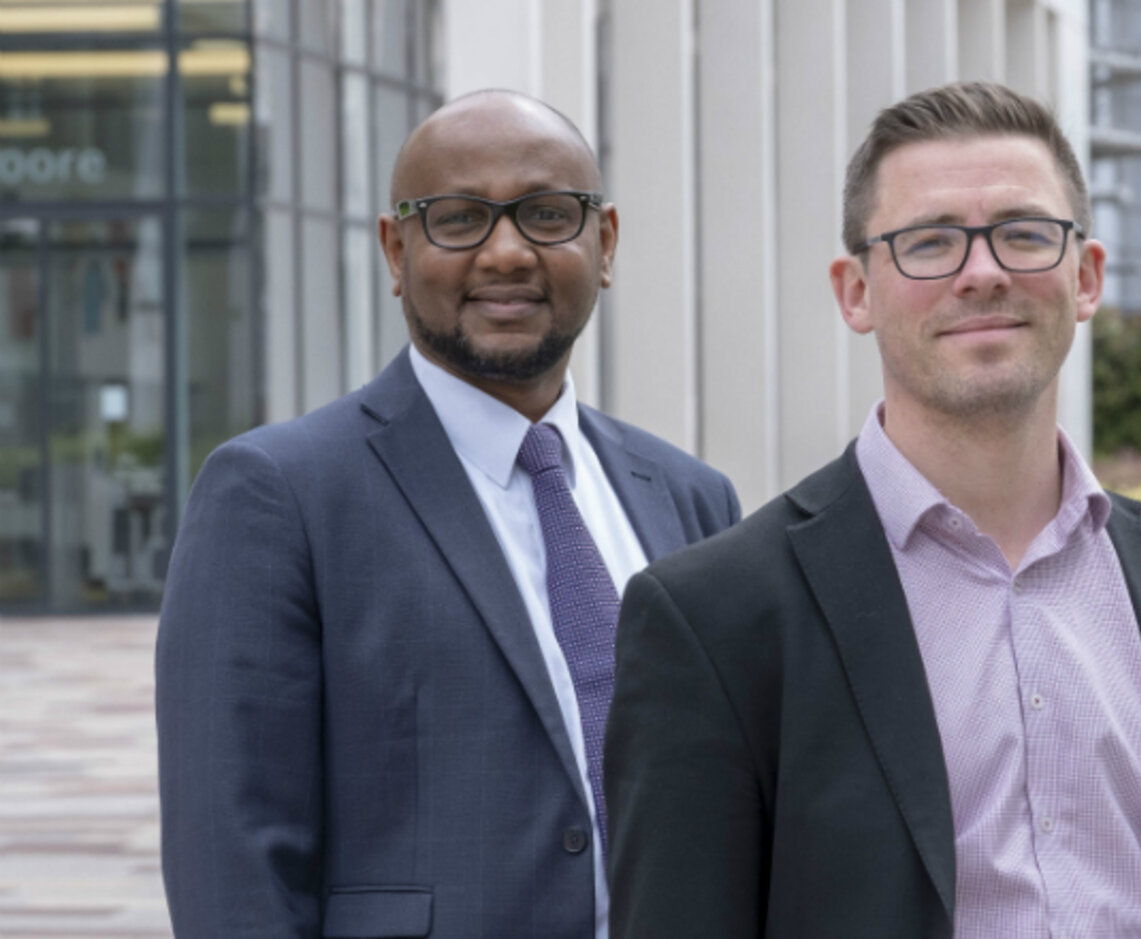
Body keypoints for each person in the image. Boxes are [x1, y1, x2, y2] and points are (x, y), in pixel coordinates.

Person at [603, 81, 1141, 938]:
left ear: (1085, 277)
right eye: (930, 242)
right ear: (856, 291)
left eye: (1023, 234)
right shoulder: (714, 620)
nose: (984, 273)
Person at [154, 90, 739, 938]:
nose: (506, 254)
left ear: (603, 243)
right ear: (397, 250)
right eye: (458, 219)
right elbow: (232, 861)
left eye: (546, 215)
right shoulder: (278, 495)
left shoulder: (689, 496)